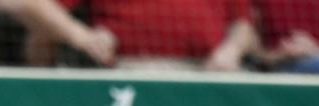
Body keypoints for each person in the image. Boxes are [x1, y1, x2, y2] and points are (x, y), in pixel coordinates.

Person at [27, 0, 257, 70]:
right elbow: (36, 6)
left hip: (209, 73)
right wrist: (83, 36)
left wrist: (232, 50)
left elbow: (243, 25)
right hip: (133, 70)